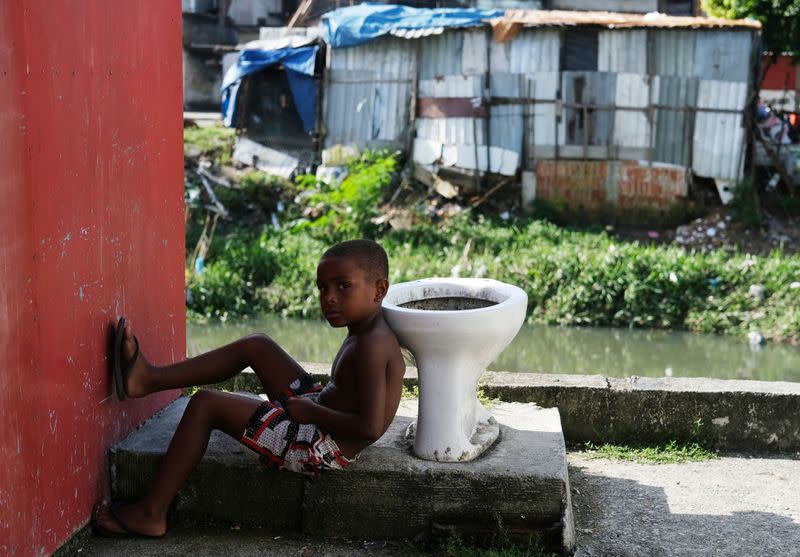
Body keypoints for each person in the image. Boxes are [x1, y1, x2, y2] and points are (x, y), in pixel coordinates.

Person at [92, 239, 406, 538]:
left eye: (343, 286)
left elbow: (369, 426)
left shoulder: (372, 347)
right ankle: (149, 379)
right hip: (319, 411)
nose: (329, 298)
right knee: (257, 345)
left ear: (379, 290)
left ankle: (152, 512)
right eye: (323, 288)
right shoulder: (367, 329)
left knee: (205, 404)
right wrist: (314, 406)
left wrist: (312, 411)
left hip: (319, 445)